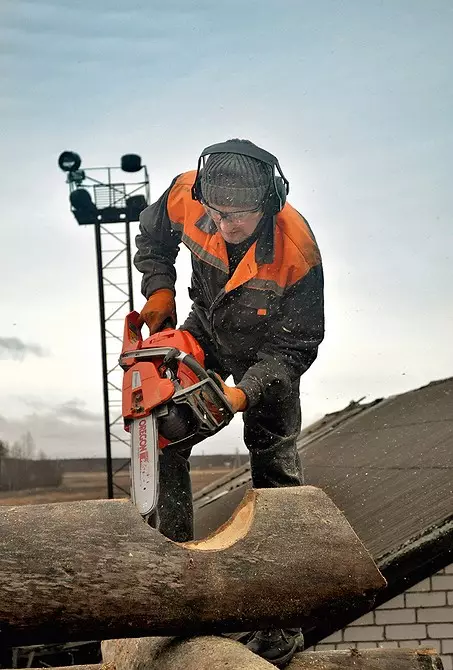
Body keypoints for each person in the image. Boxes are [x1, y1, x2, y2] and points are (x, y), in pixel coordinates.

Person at [134, 138, 324, 668]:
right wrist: (159, 286)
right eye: (215, 214)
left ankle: (281, 627)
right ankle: (177, 588)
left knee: (277, 478)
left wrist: (244, 393)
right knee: (167, 432)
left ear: (269, 204)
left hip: (269, 354)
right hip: (209, 329)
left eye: (236, 217)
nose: (222, 226)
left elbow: (296, 346)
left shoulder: (297, 250)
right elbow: (153, 236)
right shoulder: (186, 195)